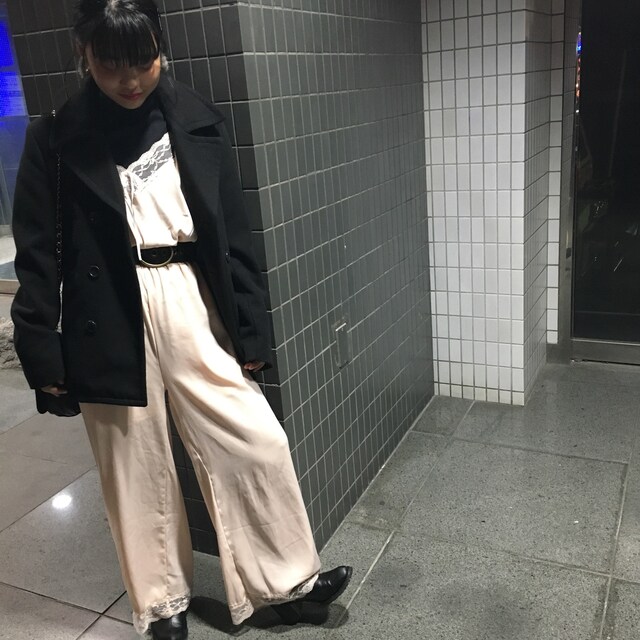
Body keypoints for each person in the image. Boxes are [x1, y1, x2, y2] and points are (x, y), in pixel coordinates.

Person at [10, 1, 352, 638]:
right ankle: (161, 603)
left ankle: (284, 582)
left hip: (190, 293)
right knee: (132, 463)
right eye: (111, 63)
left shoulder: (195, 118)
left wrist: (250, 330)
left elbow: (234, 237)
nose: (130, 78)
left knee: (253, 436)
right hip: (104, 309)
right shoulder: (55, 137)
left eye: (142, 60)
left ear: (160, 48)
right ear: (84, 54)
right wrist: (41, 348)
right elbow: (36, 254)